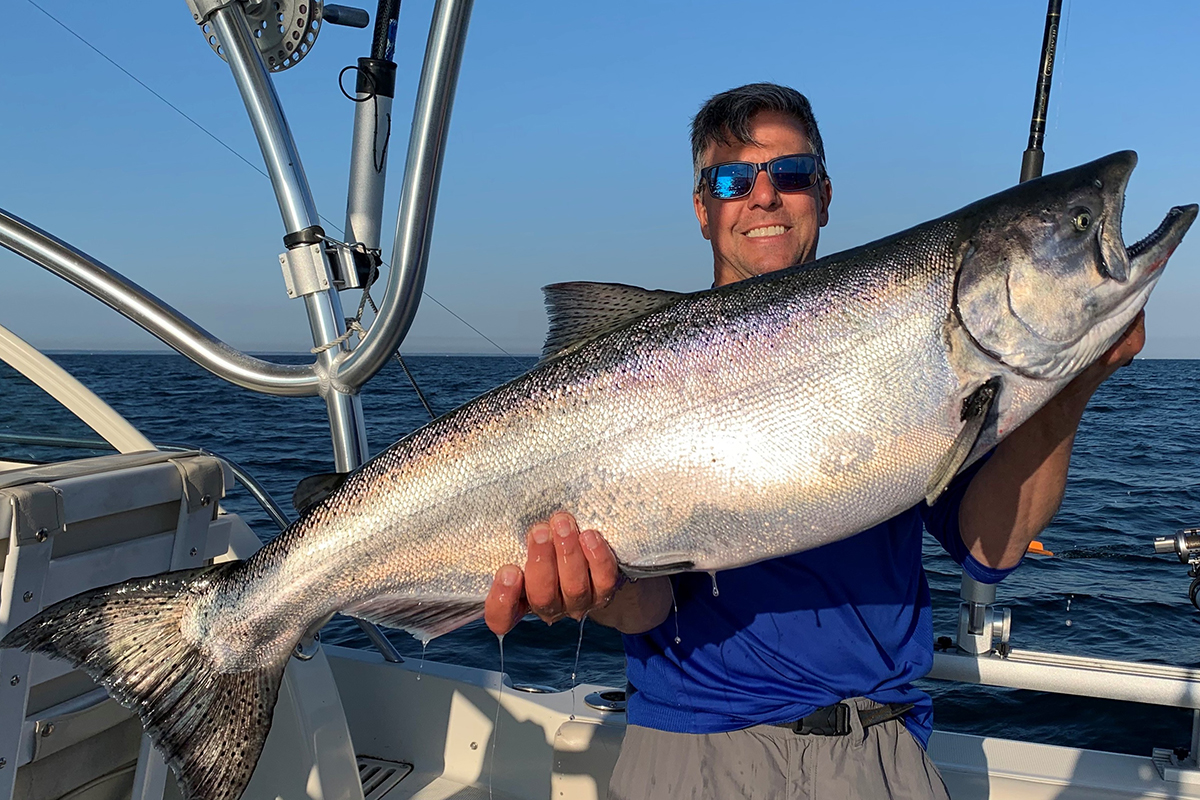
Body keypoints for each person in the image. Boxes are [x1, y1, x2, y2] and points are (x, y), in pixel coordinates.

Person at [483, 83, 1145, 799]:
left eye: (791, 175)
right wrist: (592, 590)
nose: (764, 197)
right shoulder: (650, 381)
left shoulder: (916, 354)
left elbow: (992, 547)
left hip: (876, 753)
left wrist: (1073, 382)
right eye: (731, 179)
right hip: (690, 752)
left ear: (824, 195)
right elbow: (647, 609)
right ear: (703, 209)